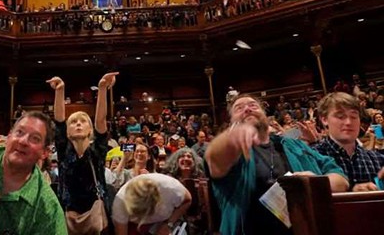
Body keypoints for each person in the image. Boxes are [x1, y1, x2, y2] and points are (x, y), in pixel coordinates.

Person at [205, 94, 348, 235]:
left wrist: (316, 182)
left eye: (253, 105)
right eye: (239, 108)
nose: (247, 109)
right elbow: (215, 159)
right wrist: (231, 139)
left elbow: (339, 177)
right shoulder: (234, 152)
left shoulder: (295, 145)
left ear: (265, 114)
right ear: (231, 121)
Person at [0, 111, 67, 235]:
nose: (23, 141)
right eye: (20, 132)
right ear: (8, 137)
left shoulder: (48, 209)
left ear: (45, 152)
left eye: (35, 138)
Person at [48, 72, 118, 234]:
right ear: (67, 131)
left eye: (83, 121)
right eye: (73, 122)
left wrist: (102, 89)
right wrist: (60, 90)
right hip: (67, 217)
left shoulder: (97, 150)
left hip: (96, 217)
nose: (78, 124)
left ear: (90, 130)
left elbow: (100, 120)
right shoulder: (64, 150)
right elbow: (59, 120)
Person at [313, 92, 384, 191]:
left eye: (354, 117)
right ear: (324, 119)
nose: (348, 122)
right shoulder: (312, 157)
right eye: (340, 116)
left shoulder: (377, 160)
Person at [112, 173, 191, 235]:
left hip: (164, 222)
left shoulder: (171, 188)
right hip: (133, 227)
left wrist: (169, 224)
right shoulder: (119, 203)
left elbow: (187, 200)